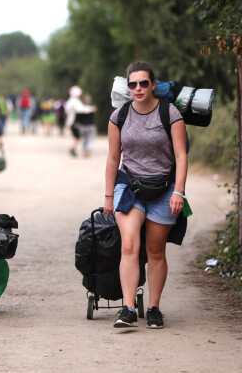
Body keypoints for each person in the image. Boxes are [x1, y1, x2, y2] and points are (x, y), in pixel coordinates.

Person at [104, 61, 188, 329]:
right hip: (129, 187)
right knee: (129, 245)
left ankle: (154, 308)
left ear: (153, 85)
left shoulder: (170, 113)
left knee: (156, 251)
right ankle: (128, 308)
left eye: (143, 83)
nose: (138, 88)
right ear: (127, 88)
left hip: (163, 188)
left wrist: (179, 191)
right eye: (132, 84)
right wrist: (108, 196)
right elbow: (113, 158)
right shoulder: (119, 116)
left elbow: (181, 156)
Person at [65, 85, 95, 157]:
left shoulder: (69, 101)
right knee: (78, 136)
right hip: (74, 122)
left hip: (70, 122)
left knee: (78, 136)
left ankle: (74, 148)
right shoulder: (75, 101)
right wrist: (91, 109)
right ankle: (73, 148)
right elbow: (81, 109)